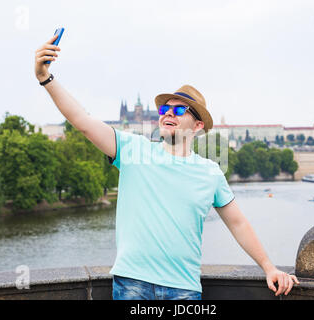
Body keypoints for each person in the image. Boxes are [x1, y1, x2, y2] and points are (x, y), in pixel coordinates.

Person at [34, 35, 299, 300]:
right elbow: (82, 120)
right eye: (164, 108)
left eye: (180, 109)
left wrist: (269, 267)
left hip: (184, 289)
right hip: (132, 285)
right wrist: (46, 78)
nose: (168, 113)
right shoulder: (133, 150)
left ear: (197, 126)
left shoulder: (210, 172)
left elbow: (239, 224)